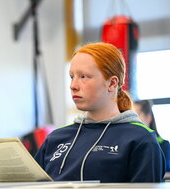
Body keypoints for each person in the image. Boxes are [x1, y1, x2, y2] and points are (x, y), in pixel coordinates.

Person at [34, 42, 165, 182]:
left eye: (84, 76)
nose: (73, 86)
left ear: (112, 83)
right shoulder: (56, 138)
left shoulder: (140, 139)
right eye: (72, 77)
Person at [134, 99, 170, 171]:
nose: (131, 119)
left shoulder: (163, 145)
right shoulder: (129, 143)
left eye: (136, 115)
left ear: (148, 117)